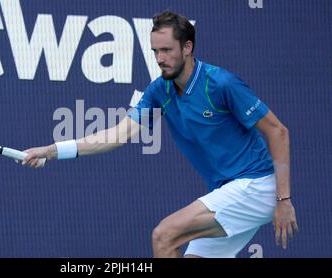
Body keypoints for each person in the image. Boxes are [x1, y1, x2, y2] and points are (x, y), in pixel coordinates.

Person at [21, 11, 298, 258]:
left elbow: (278, 132)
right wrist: (51, 150)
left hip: (256, 186)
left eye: (167, 50)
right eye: (155, 51)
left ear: (188, 47)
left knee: (164, 235)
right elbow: (116, 135)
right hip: (229, 191)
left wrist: (283, 200)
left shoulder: (220, 83)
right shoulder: (159, 90)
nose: (160, 59)